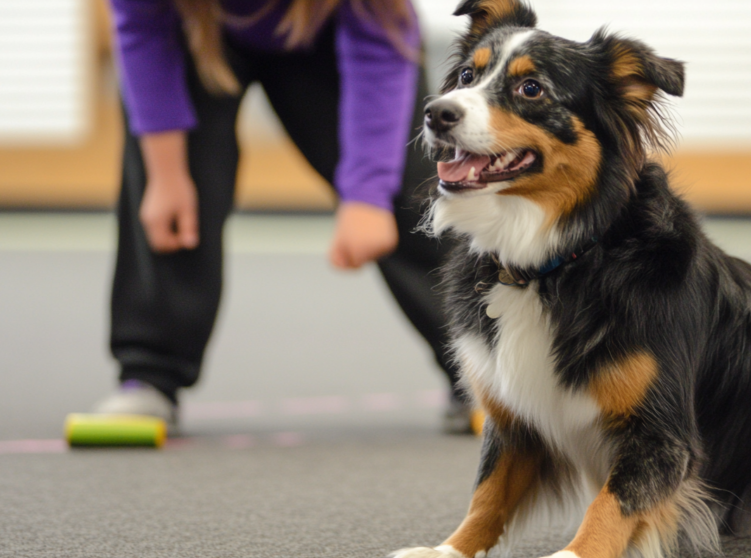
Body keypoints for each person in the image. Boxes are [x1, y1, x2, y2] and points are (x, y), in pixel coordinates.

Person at [95, 0, 471, 433]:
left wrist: (367, 195)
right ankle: (149, 374)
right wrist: (165, 176)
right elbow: (141, 29)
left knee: (415, 199)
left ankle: (481, 371)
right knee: (174, 205)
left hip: (331, 27)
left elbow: (380, 41)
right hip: (196, 29)